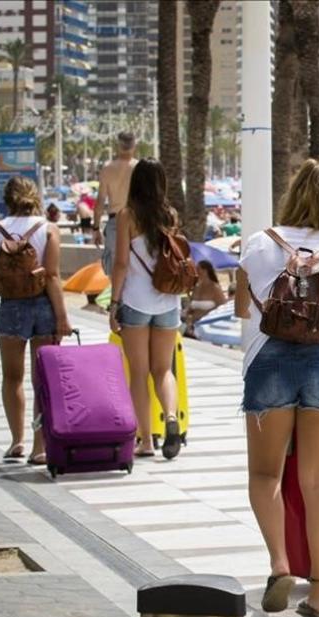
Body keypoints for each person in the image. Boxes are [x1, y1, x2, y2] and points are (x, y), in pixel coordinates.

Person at [235, 159, 319, 617]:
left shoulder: (258, 244)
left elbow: (241, 310)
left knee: (265, 476)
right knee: (318, 482)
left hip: (267, 360)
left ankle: (279, 564)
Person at [0, 176, 73, 465]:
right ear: (35, 197)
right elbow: (52, 276)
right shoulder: (48, 229)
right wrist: (62, 317)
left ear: (7, 199)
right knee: (43, 380)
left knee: (12, 378)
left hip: (10, 307)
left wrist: (12, 292)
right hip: (44, 308)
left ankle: (16, 442)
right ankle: (40, 447)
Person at [107, 159, 186, 461]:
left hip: (136, 302)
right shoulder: (170, 215)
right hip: (167, 302)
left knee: (139, 372)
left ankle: (146, 441)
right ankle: (170, 417)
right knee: (163, 369)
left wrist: (114, 304)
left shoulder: (128, 215)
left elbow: (121, 264)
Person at [94, 131, 138, 278]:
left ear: (118, 146)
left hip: (115, 221)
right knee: (136, 269)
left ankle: (116, 299)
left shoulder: (107, 169)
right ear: (134, 146)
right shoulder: (139, 168)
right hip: (136, 221)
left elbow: (100, 200)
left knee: (115, 270)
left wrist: (96, 228)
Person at [185, 260, 228, 337]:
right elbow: (190, 308)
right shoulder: (196, 287)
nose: (196, 272)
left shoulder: (215, 288)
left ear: (206, 271)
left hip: (208, 328)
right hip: (192, 327)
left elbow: (223, 308)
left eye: (198, 269)